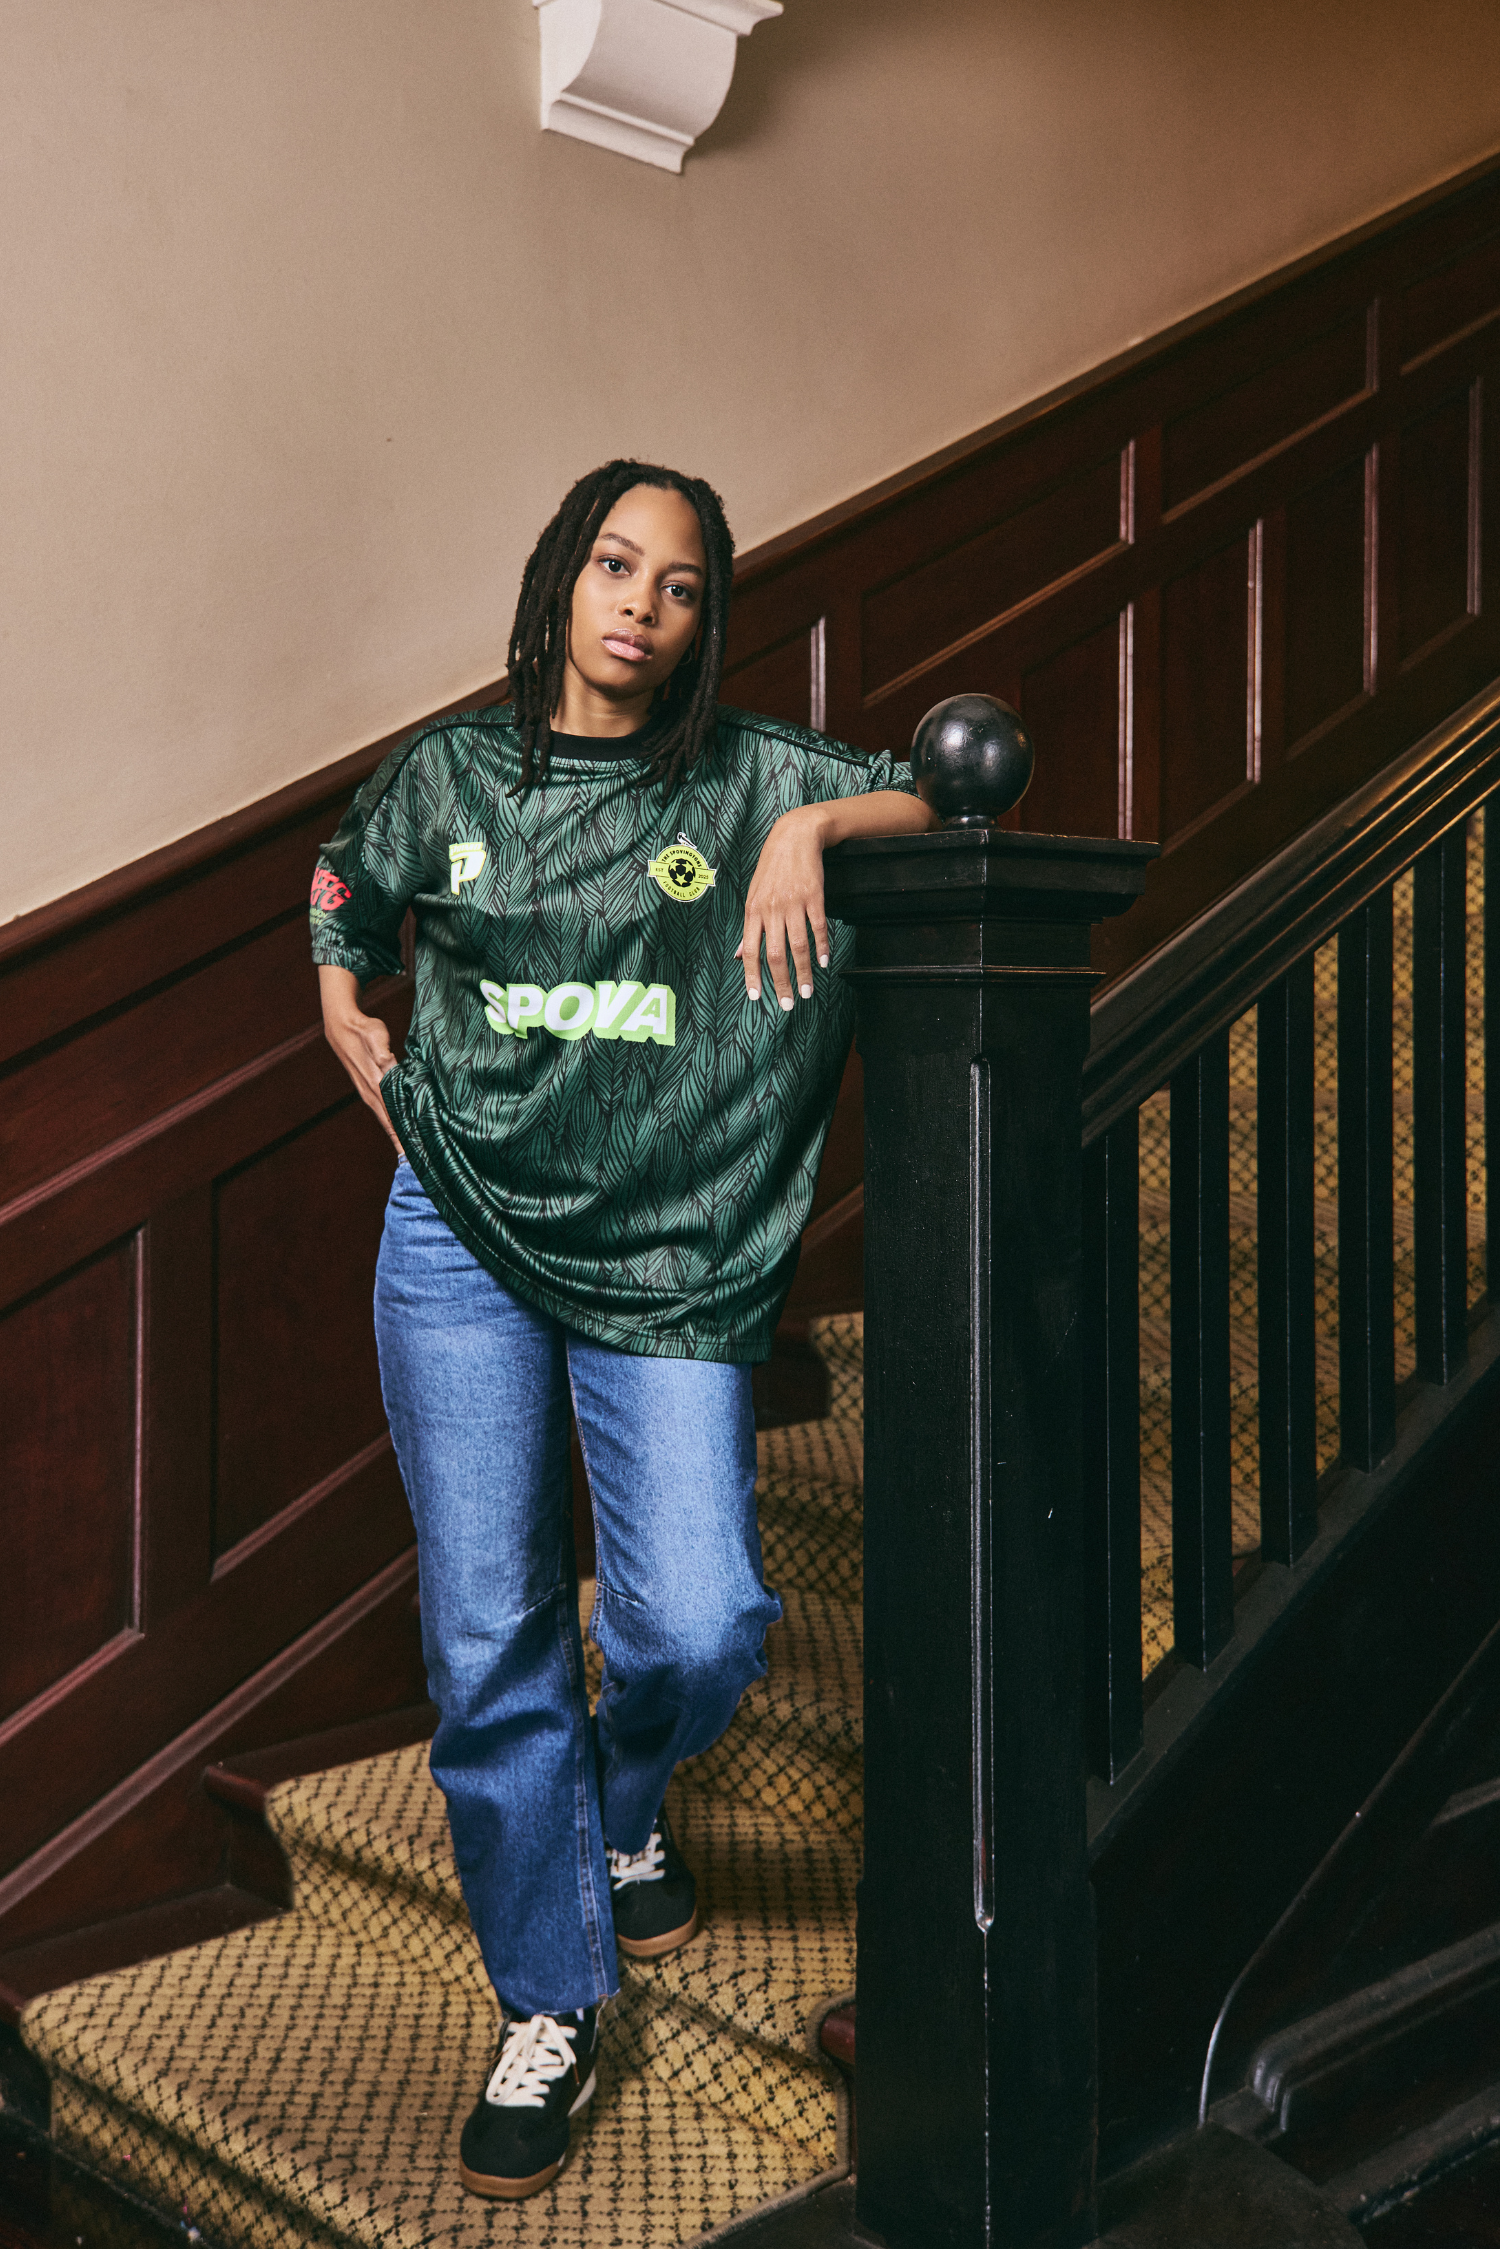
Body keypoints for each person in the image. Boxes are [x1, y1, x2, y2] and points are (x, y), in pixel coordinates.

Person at [310, 458, 937, 2201]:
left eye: (677, 585)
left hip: (672, 1256)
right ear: (559, 578)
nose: (640, 606)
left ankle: (622, 1796)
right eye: (612, 565)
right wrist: (341, 1004)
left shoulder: (753, 775)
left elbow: (957, 792)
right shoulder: (449, 772)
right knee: (488, 1632)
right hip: (457, 1236)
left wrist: (811, 833)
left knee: (701, 1619)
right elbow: (345, 883)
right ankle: (550, 1997)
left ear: (701, 618)